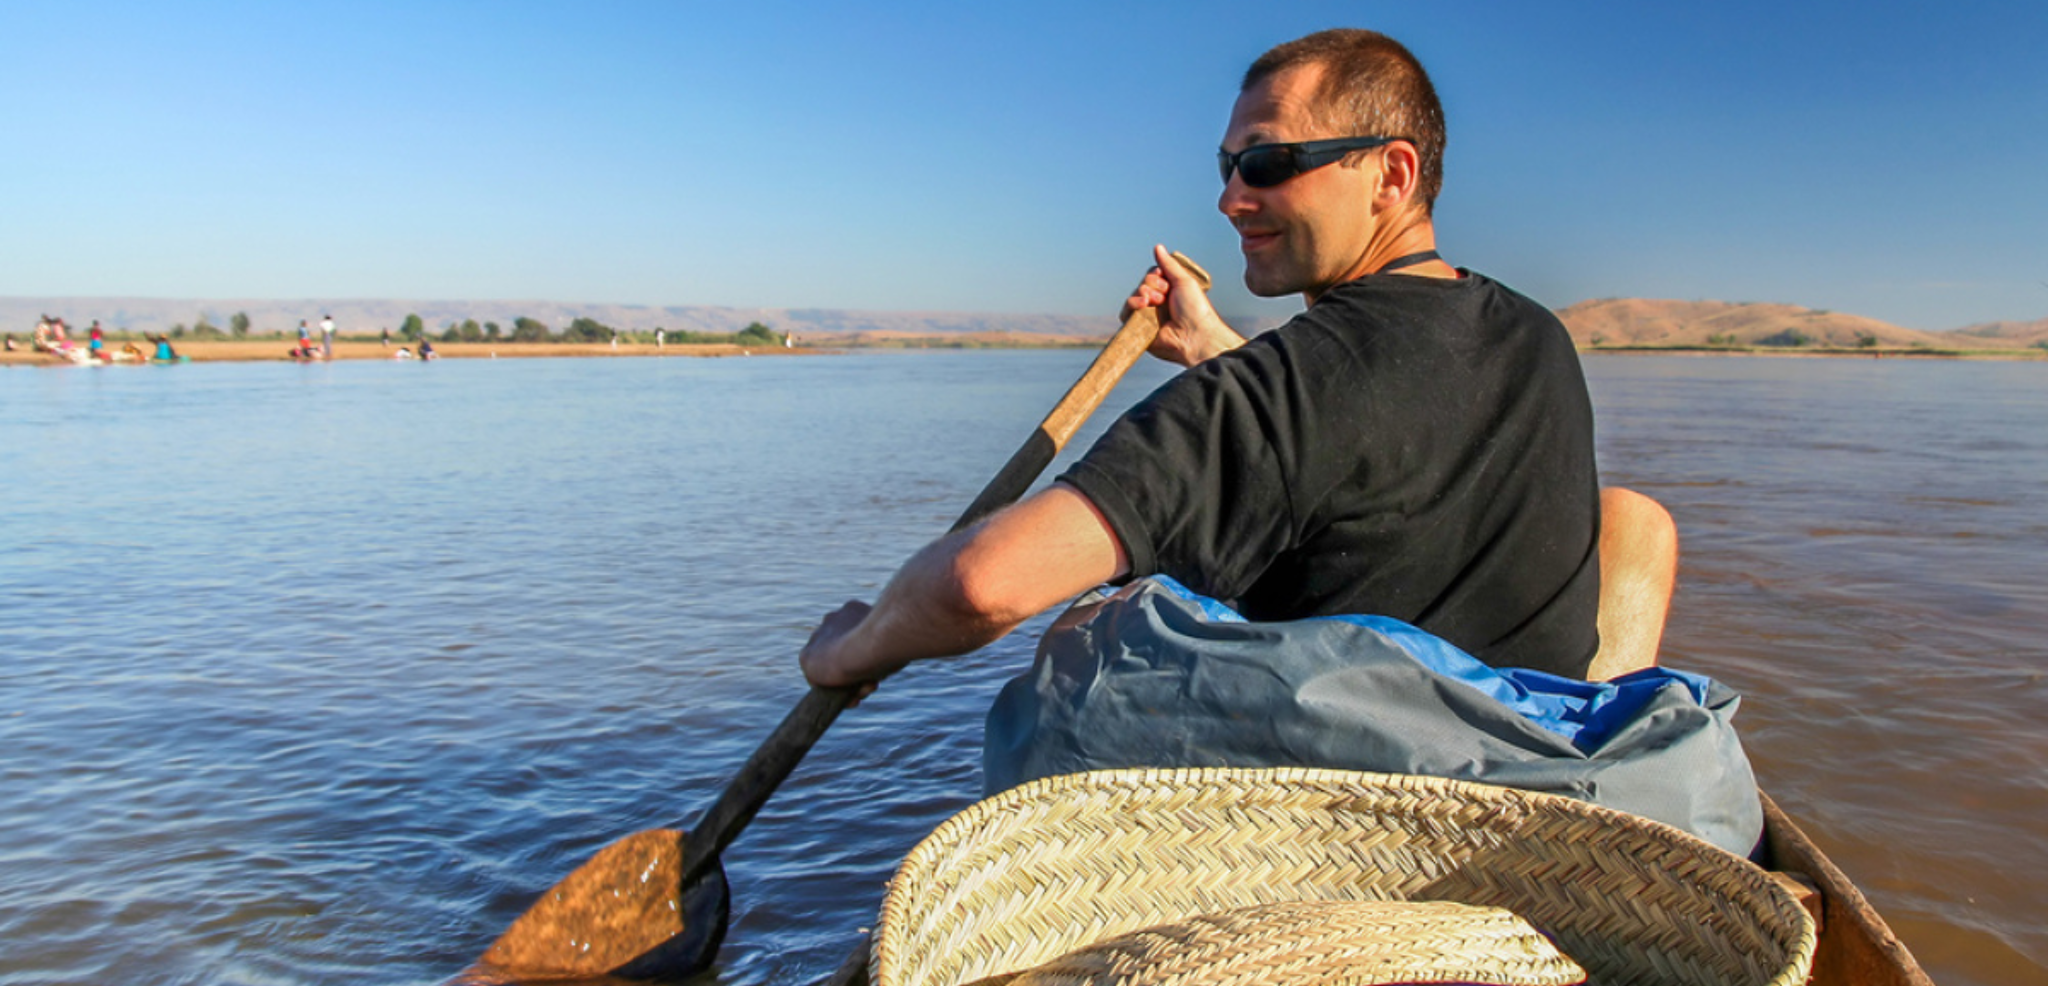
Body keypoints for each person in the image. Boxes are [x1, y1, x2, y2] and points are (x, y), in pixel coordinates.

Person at [801, 29, 1676, 701]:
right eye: (1227, 166)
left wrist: (854, 643)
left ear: (1391, 175)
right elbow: (1360, 418)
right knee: (1630, 519)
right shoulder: (1535, 337)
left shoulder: (1274, 393)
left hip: (1345, 806)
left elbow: (980, 585)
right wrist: (1210, 345)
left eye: (1267, 163)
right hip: (1519, 763)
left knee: (1100, 623)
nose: (1229, 198)